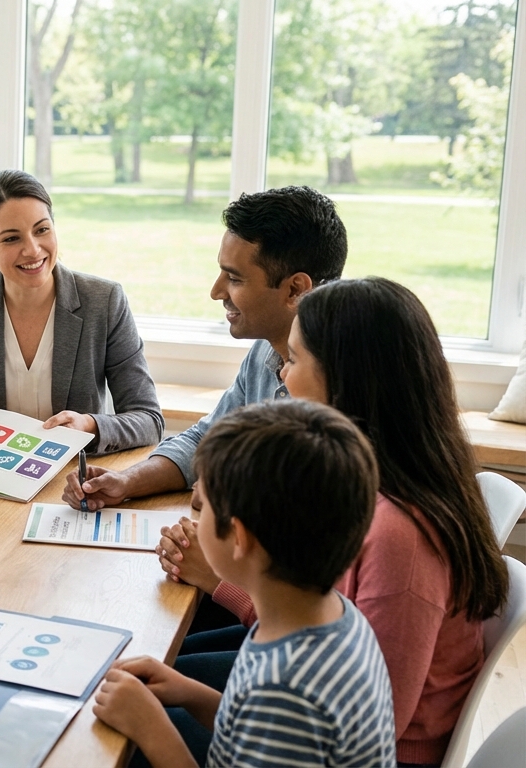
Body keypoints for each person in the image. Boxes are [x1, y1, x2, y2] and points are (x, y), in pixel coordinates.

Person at [156, 277, 511, 765]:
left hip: (378, 750)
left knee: (137, 719)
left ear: (347, 378)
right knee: (168, 663)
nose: (281, 375)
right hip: (314, 681)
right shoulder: (367, 479)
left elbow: (377, 711)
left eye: (295, 359)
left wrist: (224, 582)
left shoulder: (401, 534)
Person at [93, 399, 397, 768]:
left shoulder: (284, 692)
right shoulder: (331, 616)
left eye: (201, 508)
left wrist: (152, 728)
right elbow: (252, 730)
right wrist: (189, 693)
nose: (193, 514)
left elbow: (269, 715)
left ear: (239, 539)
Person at [62, 185, 346, 507]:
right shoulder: (265, 350)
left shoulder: (354, 374)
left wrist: (227, 494)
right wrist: (126, 482)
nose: (216, 291)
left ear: (295, 289)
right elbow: (204, 441)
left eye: (235, 279)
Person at [0, 170, 162, 469]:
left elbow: (148, 419)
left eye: (41, 230)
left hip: (70, 477)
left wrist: (90, 425)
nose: (33, 250)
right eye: (12, 238)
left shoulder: (104, 301)